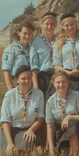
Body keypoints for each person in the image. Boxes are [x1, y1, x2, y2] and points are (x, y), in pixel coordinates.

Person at [0, 65, 45, 156]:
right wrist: (9, 142)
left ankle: (24, 155)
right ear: (17, 80)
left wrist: (31, 130)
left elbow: (40, 118)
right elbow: (5, 120)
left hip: (28, 130)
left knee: (24, 149)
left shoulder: (39, 94)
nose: (27, 81)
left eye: (29, 78)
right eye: (23, 78)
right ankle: (13, 149)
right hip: (11, 130)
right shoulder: (9, 95)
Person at [46, 71, 79, 156]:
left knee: (72, 123)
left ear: (68, 82)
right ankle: (64, 150)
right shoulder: (51, 101)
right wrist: (51, 149)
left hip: (78, 129)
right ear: (53, 83)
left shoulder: (77, 96)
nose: (61, 85)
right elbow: (50, 126)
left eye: (63, 82)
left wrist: (69, 117)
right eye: (58, 82)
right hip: (61, 131)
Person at [30, 12, 57, 148]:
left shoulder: (60, 39)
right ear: (42, 25)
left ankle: (54, 144)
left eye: (52, 24)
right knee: (43, 112)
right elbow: (34, 65)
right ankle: (43, 145)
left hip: (56, 77)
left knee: (54, 110)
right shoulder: (36, 42)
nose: (49, 26)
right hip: (42, 78)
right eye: (47, 24)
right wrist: (36, 84)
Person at [2, 21, 35, 91]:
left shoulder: (32, 49)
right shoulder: (11, 49)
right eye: (25, 33)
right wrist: (10, 90)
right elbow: (6, 71)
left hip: (30, 84)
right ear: (18, 33)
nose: (27, 36)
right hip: (16, 85)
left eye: (30, 33)